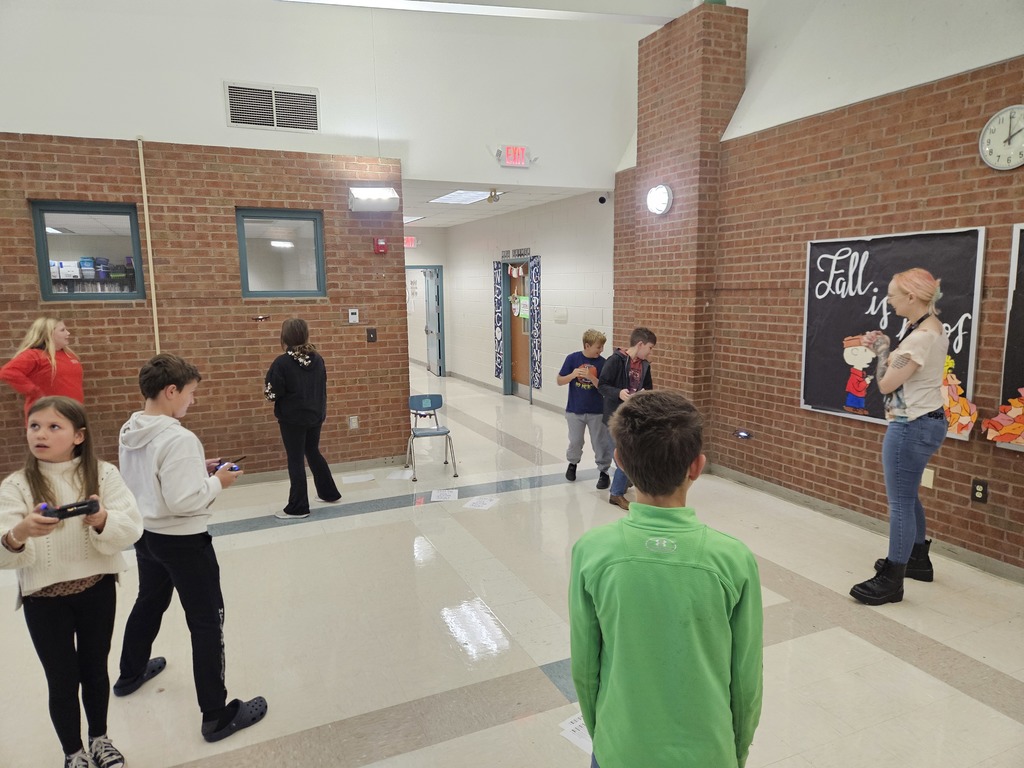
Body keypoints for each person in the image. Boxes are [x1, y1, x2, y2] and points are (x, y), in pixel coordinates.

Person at [569, 390, 763, 768]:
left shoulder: (592, 552)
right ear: (697, 466)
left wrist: (604, 738)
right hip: (708, 752)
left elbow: (585, 667)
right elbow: (746, 680)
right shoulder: (733, 560)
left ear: (621, 460)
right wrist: (734, 754)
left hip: (620, 749)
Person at [115, 353, 268, 742]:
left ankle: (130, 673)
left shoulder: (132, 428)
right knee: (206, 620)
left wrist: (201, 467)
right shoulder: (180, 438)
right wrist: (219, 483)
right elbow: (185, 502)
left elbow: (157, 478)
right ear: (171, 391)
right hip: (184, 542)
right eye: (190, 393)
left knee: (149, 600)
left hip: (146, 535)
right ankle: (217, 715)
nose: (192, 401)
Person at [0, 396, 142, 768]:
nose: (40, 434)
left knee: (95, 671)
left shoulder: (103, 474)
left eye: (53, 427)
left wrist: (101, 520)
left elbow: (133, 527)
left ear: (78, 436)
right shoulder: (16, 485)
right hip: (44, 600)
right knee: (62, 681)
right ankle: (73, 752)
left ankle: (99, 738)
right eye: (34, 426)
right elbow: (2, 547)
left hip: (96, 589)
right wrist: (21, 531)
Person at [851, 268, 948, 605]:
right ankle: (917, 559)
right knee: (908, 495)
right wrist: (889, 346)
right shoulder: (926, 327)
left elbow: (886, 384)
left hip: (911, 426)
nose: (888, 300)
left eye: (893, 294)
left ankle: (892, 580)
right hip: (927, 421)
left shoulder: (921, 336)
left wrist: (880, 351)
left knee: (901, 503)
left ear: (911, 296)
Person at [264, 318, 341, 520]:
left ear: (285, 337)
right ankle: (329, 493)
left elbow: (272, 393)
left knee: (296, 458)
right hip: (315, 415)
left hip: (292, 419)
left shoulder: (281, 363)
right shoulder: (318, 359)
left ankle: (298, 507)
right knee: (312, 450)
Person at [597, 327, 656, 510]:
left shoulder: (645, 365)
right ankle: (616, 494)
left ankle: (627, 479)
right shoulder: (615, 361)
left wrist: (644, 397)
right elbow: (602, 385)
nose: (650, 352)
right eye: (650, 347)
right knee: (624, 456)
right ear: (640, 344)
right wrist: (618, 393)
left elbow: (649, 388)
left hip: (633, 417)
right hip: (614, 418)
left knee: (634, 453)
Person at [556, 329, 612, 489]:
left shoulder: (603, 363)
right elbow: (560, 381)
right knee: (575, 441)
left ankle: (604, 472)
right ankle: (572, 464)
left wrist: (592, 377)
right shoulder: (572, 359)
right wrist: (573, 375)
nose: (600, 350)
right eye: (598, 347)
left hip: (597, 411)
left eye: (602, 347)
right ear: (587, 345)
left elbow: (604, 388)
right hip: (575, 410)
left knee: (600, 443)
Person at [0, 317, 84, 419]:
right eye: (62, 330)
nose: (68, 333)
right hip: (47, 414)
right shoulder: (34, 355)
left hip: (73, 413)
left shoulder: (69, 356)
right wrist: (34, 391)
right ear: (48, 334)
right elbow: (7, 372)